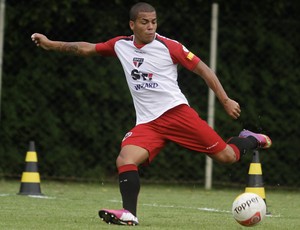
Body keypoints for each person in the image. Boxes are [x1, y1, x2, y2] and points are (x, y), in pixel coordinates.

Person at [31, 2, 272, 226]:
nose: (150, 27)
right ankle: (129, 214)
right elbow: (86, 49)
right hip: (148, 123)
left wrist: (225, 99)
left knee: (227, 157)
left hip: (177, 114)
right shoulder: (120, 45)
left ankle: (251, 138)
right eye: (144, 22)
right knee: (125, 160)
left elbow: (203, 69)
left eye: (154, 22)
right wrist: (50, 44)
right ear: (132, 25)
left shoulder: (169, 46)